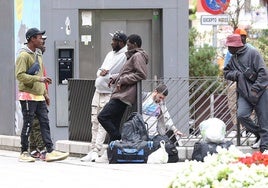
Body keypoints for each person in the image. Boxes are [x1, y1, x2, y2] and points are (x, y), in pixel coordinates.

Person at [15, 28, 69, 162]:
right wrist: (39, 80)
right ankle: (23, 152)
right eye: (39, 38)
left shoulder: (38, 54)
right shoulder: (23, 55)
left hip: (39, 96)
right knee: (28, 124)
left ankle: (50, 151)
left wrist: (45, 93)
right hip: (28, 95)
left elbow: (40, 74)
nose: (42, 40)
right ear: (32, 39)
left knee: (45, 123)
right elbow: (20, 76)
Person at [81, 31, 128, 162]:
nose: (111, 42)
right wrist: (102, 72)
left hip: (109, 91)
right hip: (98, 90)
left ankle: (97, 149)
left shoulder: (124, 56)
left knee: (102, 121)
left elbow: (123, 73)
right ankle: (92, 150)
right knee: (94, 120)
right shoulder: (109, 54)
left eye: (114, 40)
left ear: (121, 43)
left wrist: (107, 75)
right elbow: (99, 71)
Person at [98, 34, 149, 142]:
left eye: (129, 45)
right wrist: (115, 78)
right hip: (122, 93)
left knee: (103, 117)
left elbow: (142, 74)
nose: (127, 47)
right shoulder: (132, 56)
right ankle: (114, 152)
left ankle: (119, 139)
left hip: (124, 95)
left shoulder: (137, 56)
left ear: (134, 44)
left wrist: (123, 80)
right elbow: (127, 72)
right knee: (115, 123)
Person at [224, 34, 268, 153]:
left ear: (236, 46)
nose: (228, 49)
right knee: (241, 115)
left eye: (229, 46)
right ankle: (259, 134)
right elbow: (226, 72)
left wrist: (255, 89)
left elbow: (264, 73)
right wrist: (236, 75)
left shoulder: (253, 53)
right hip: (244, 93)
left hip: (260, 92)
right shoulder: (234, 58)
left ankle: (264, 149)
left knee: (264, 121)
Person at [29, 35, 49, 160]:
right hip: (33, 95)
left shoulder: (39, 57)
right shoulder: (31, 56)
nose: (44, 44)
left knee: (36, 122)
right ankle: (42, 149)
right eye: (42, 41)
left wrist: (45, 94)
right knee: (37, 123)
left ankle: (32, 149)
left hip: (40, 94)